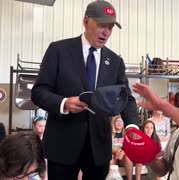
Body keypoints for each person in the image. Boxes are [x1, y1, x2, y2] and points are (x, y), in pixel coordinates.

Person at [31, 1, 139, 180]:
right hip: (62, 145)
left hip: (99, 149)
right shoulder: (58, 50)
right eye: (102, 25)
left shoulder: (115, 61)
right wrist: (64, 103)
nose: (107, 32)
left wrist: (132, 126)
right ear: (86, 21)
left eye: (111, 27)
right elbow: (39, 91)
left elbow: (126, 98)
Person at [110, 115, 135, 180]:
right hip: (113, 156)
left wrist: (123, 153)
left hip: (122, 157)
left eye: (121, 121)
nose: (119, 123)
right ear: (114, 123)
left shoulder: (127, 134)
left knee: (128, 156)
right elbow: (106, 147)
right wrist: (116, 151)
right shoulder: (109, 134)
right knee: (110, 157)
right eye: (117, 121)